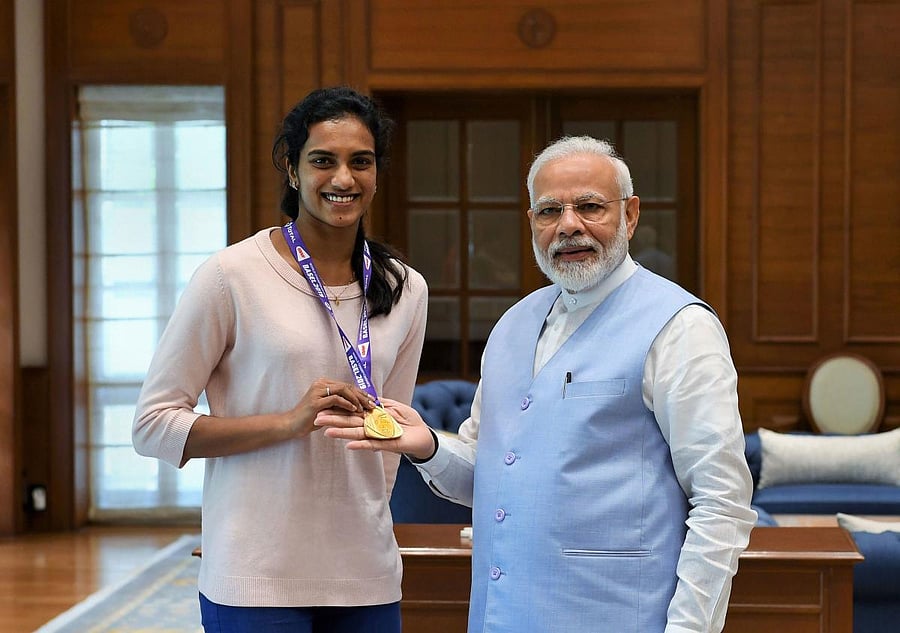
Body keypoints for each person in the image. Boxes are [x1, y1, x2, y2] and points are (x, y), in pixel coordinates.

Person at [318, 136, 757, 632]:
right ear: (532, 224)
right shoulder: (512, 326)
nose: (569, 225)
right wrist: (428, 447)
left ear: (630, 216)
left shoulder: (680, 326)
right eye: (550, 211)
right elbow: (494, 476)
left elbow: (722, 501)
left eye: (590, 206)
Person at [132, 86, 428, 633]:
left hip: (366, 573)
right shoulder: (231, 276)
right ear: (292, 172)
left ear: (377, 173)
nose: (343, 179)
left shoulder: (406, 288)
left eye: (360, 162)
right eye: (322, 161)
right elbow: (152, 427)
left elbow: (392, 432)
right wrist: (289, 423)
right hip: (255, 575)